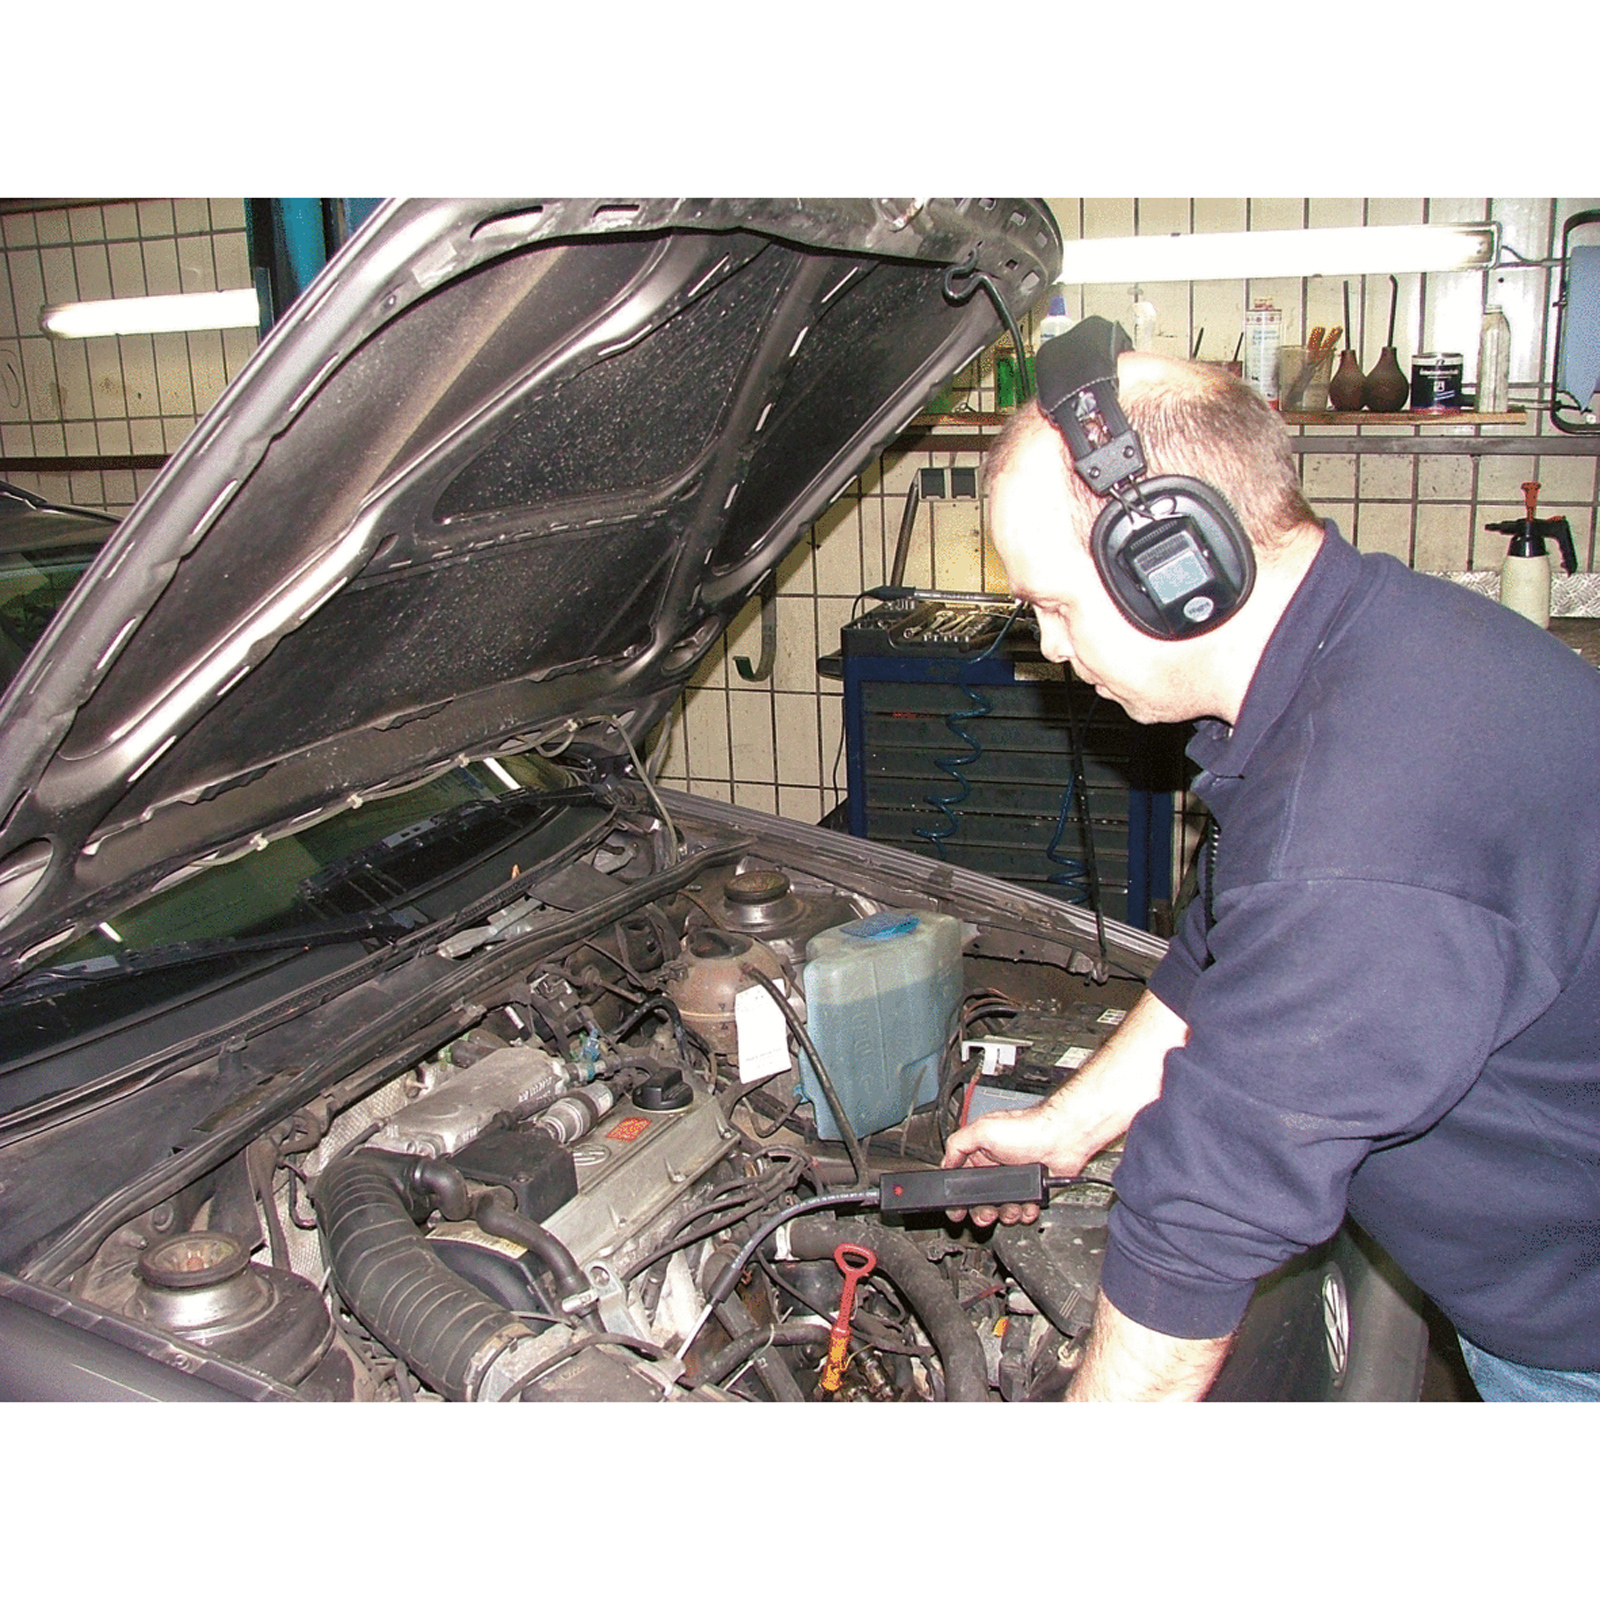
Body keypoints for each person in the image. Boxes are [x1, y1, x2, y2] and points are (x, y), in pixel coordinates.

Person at [942, 327, 1600, 1401]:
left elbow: (1202, 1229)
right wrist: (1069, 1125)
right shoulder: (1370, 645)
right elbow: (1222, 952)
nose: (1050, 650)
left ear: (1173, 562)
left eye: (1055, 607)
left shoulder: (1357, 831)